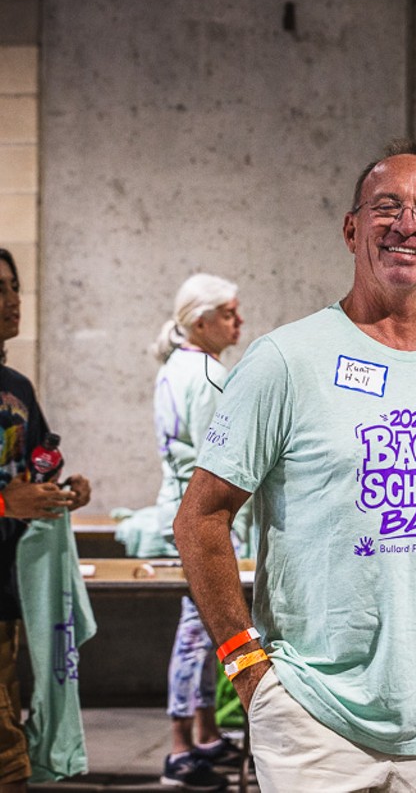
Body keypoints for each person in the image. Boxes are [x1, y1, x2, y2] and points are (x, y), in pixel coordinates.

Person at [174, 140, 416, 792]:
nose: (407, 224)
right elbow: (201, 517)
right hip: (314, 721)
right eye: (386, 207)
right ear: (352, 229)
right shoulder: (285, 359)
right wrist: (248, 669)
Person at [139, 273, 244, 791]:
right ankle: (180, 748)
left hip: (176, 513)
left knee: (205, 634)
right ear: (200, 322)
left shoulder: (176, 367)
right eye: (229, 313)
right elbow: (219, 465)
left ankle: (203, 732)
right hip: (200, 524)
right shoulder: (205, 374)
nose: (238, 321)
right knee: (195, 634)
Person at [0, 247, 93, 792]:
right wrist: (9, 504)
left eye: (14, 287)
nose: (12, 300)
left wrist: (61, 493)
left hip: (15, 592)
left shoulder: (18, 388)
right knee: (10, 758)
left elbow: (34, 469)